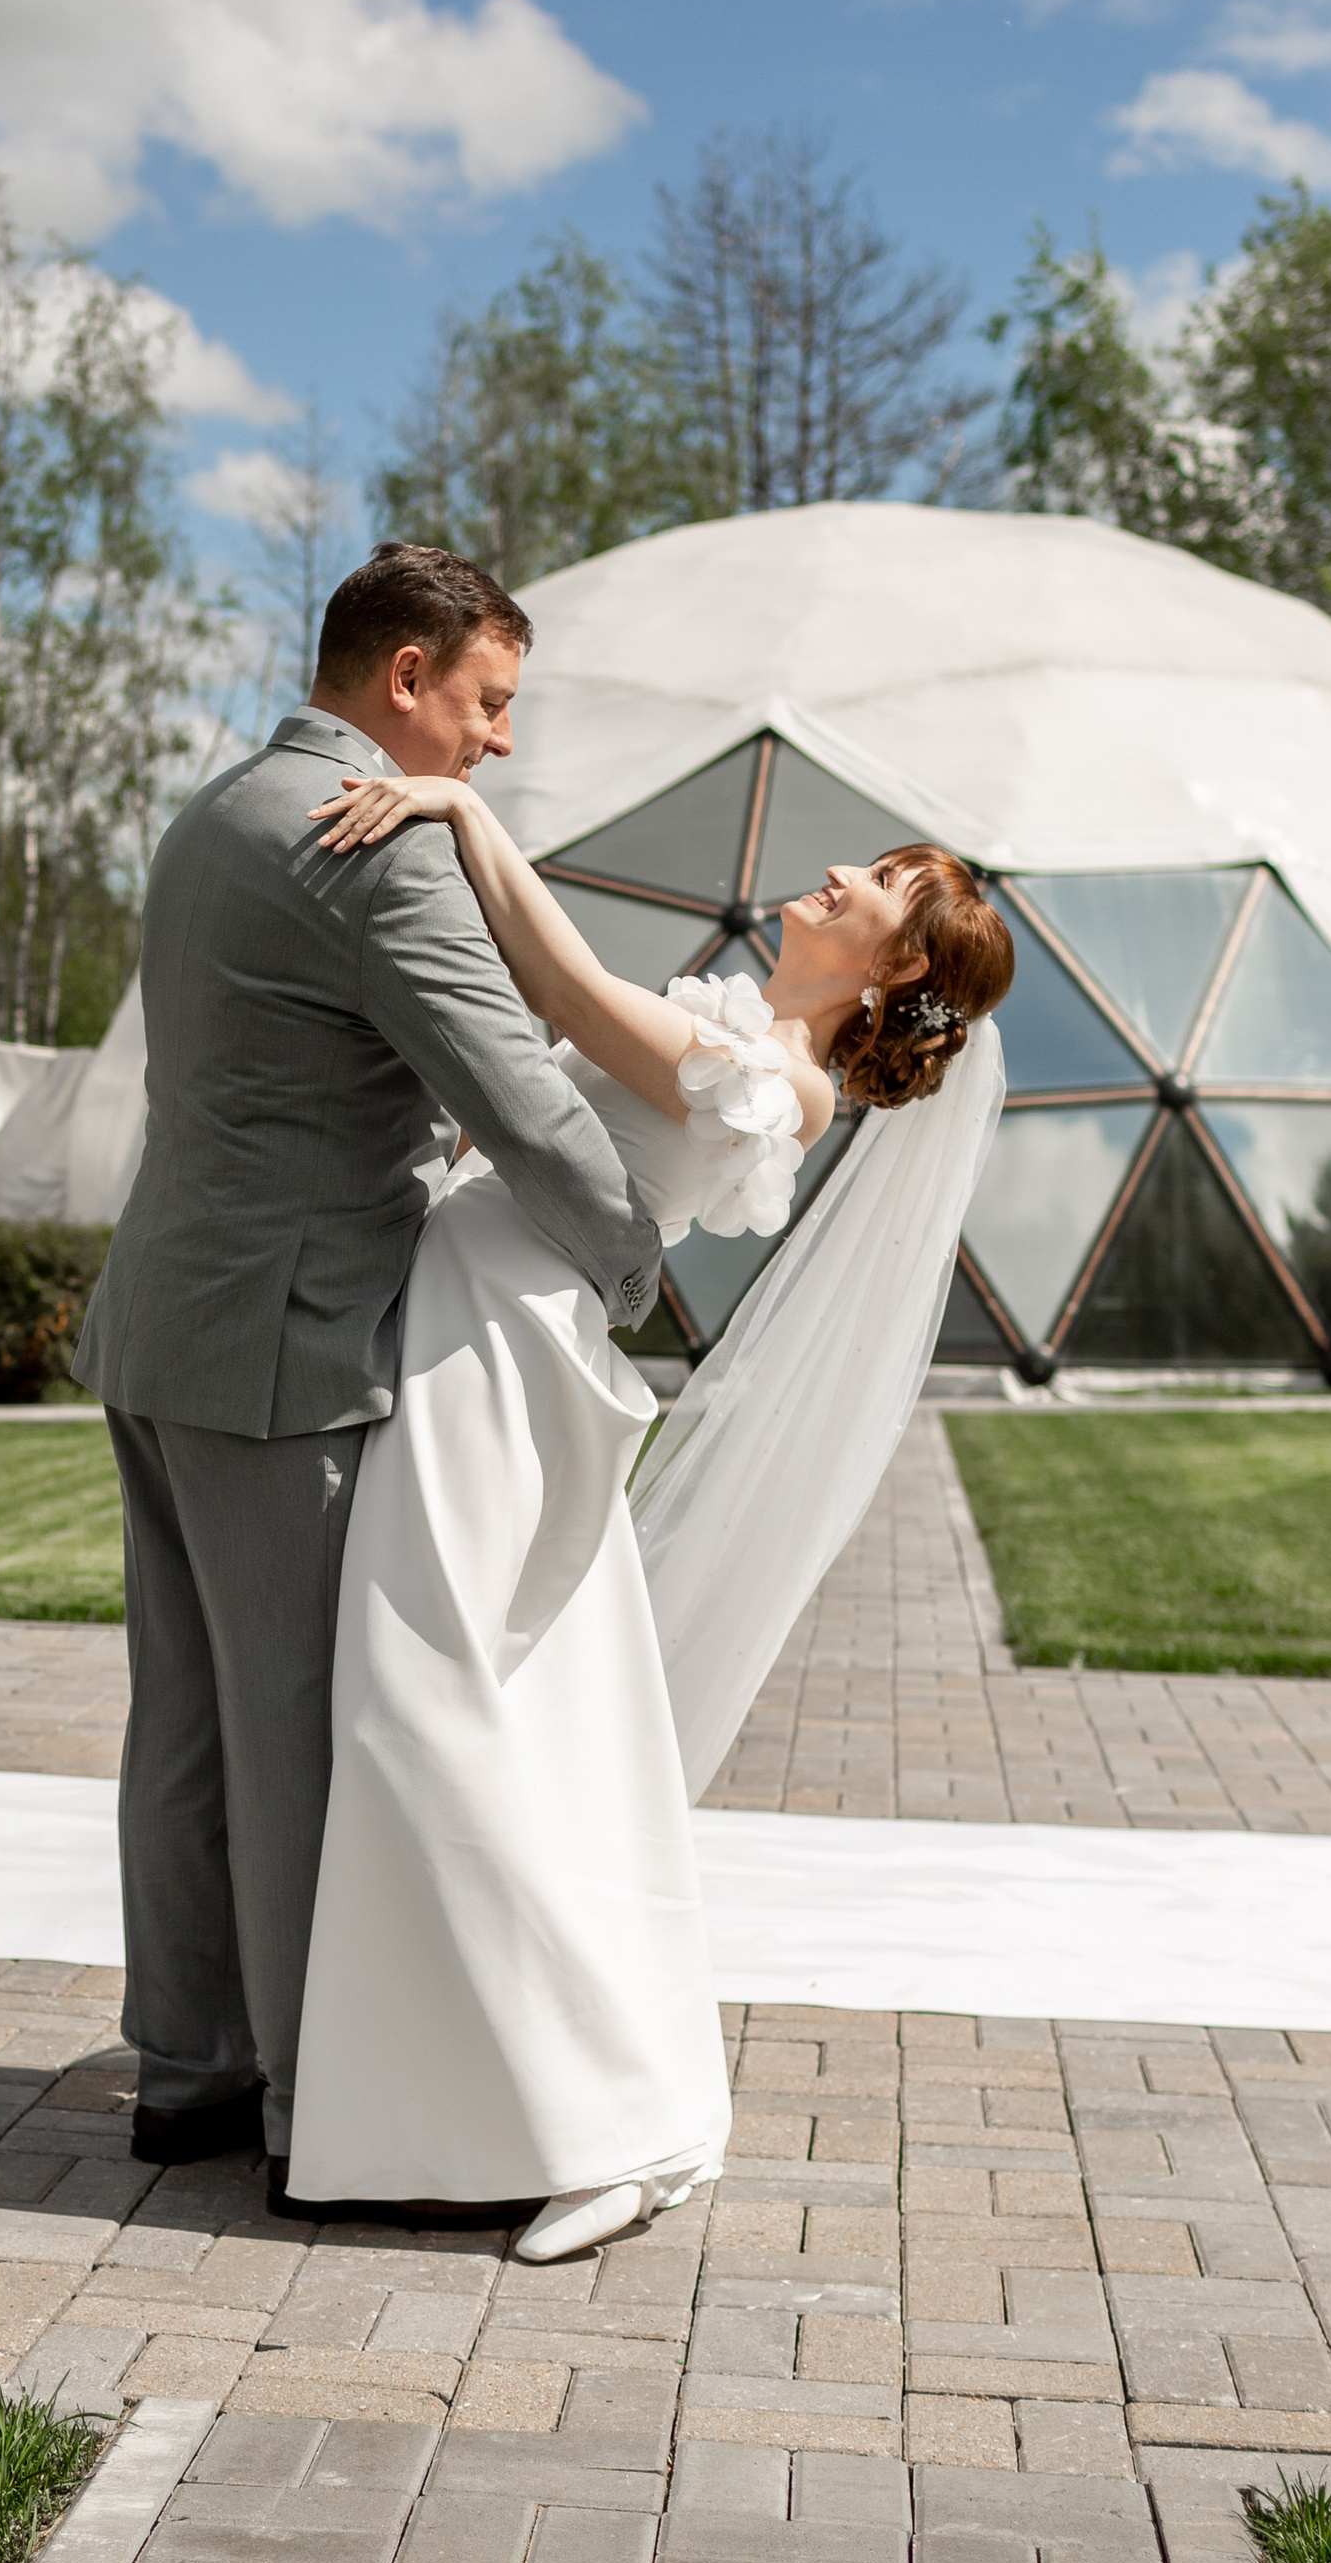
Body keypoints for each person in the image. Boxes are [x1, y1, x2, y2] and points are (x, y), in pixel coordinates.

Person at [287, 769, 1014, 2259]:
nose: (837, 872)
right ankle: (458, 2113)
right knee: (450, 1714)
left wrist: (459, 813)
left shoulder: (779, 1084)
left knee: (431, 1709)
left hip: (504, 1354)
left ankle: (609, 2128)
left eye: (876, 883)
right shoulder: (730, 1027)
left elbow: (558, 988)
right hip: (466, 1326)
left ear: (899, 965)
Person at [71, 544, 664, 2201]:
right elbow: (519, 1094)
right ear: (406, 678)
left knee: (185, 1721)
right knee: (295, 1737)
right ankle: (308, 2103)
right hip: (285, 1347)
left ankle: (188, 2068)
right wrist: (637, 1264)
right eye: (487, 702)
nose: (498, 741)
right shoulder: (373, 849)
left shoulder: (214, 812)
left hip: (161, 1323)